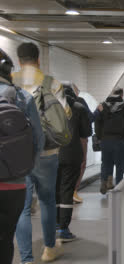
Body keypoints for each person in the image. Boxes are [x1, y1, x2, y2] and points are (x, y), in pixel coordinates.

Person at [13, 42, 71, 263]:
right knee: (47, 200)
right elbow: (65, 114)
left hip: (18, 154)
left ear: (19, 61)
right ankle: (49, 249)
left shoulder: (11, 81)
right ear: (38, 60)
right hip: (47, 152)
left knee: (23, 207)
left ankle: (26, 259)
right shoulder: (51, 83)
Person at [0, 49, 44, 264]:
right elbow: (38, 140)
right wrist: (23, 168)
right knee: (5, 239)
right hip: (14, 183)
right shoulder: (22, 96)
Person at [56, 85, 92, 242]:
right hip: (72, 155)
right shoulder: (79, 107)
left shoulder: (50, 107)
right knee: (67, 191)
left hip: (51, 154)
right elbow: (86, 132)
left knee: (54, 190)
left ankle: (53, 226)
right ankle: (63, 229)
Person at [95, 88, 124, 194]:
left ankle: (104, 182)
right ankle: (118, 188)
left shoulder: (102, 106)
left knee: (105, 163)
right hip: (119, 140)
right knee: (119, 165)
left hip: (105, 140)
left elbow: (97, 123)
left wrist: (100, 137)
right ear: (121, 95)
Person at [70, 84, 94, 204]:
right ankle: (73, 191)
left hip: (59, 139)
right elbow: (89, 118)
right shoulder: (79, 102)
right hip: (79, 138)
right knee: (81, 163)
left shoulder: (55, 103)